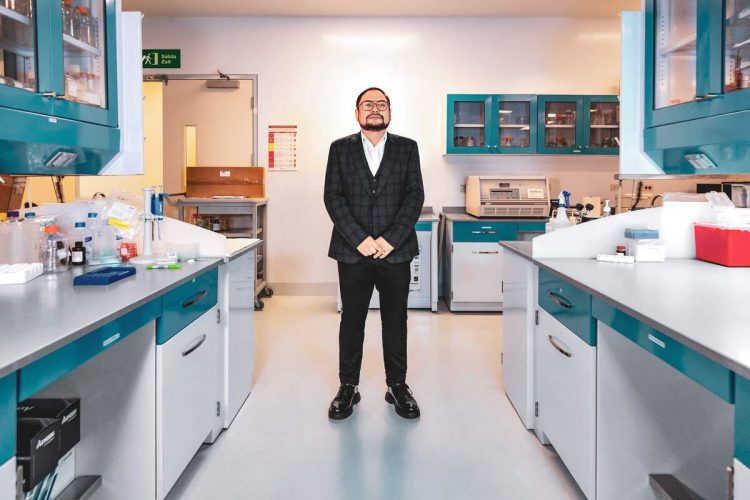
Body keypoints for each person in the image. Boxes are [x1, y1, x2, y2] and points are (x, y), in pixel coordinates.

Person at [324, 87, 425, 420]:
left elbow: (414, 197)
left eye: (381, 104)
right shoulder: (340, 149)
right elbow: (333, 197)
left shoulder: (407, 149)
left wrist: (390, 240)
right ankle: (348, 387)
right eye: (368, 104)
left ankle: (397, 386)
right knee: (352, 321)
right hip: (353, 252)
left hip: (394, 253)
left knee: (395, 320)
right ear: (357, 113)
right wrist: (360, 239)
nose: (375, 109)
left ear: (390, 113)